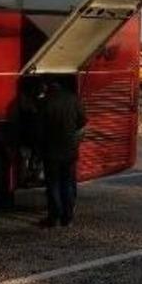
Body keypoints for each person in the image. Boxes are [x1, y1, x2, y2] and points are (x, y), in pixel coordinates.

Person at [34, 80, 87, 228]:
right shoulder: (73, 99)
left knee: (53, 184)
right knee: (68, 183)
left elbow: (39, 130)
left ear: (48, 87)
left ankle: (54, 217)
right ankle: (68, 218)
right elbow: (83, 121)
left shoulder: (45, 102)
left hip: (51, 150)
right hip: (70, 149)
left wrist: (37, 150)